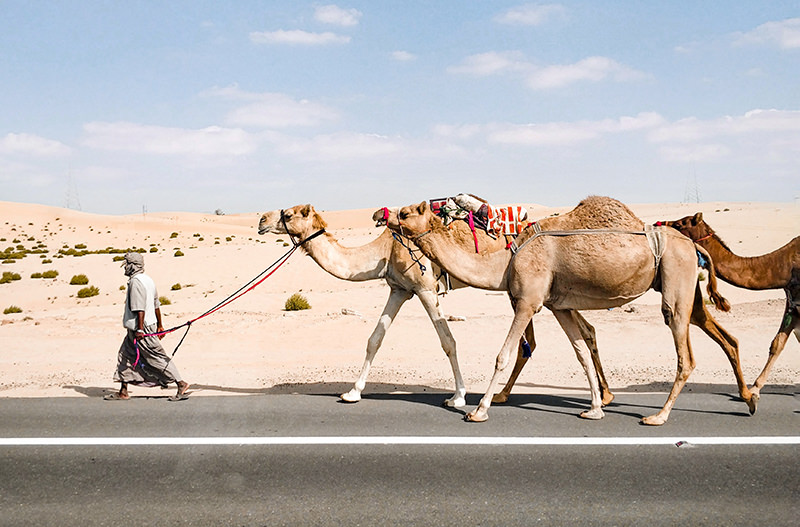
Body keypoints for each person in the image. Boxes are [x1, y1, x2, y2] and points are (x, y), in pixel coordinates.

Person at [105, 252, 190, 401]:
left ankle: (180, 383)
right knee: (125, 356)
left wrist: (140, 329)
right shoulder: (148, 280)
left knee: (156, 357)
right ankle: (123, 391)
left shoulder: (136, 282)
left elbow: (139, 308)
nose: (125, 268)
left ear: (132, 266)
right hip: (141, 327)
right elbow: (156, 304)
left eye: (126, 265)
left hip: (141, 327)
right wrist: (160, 325)